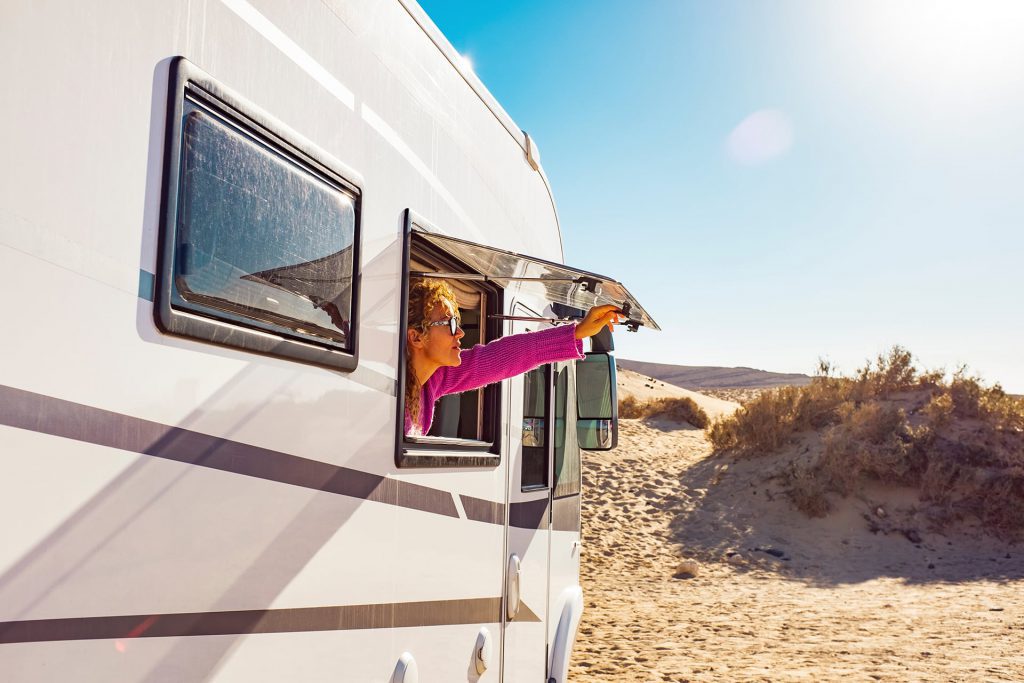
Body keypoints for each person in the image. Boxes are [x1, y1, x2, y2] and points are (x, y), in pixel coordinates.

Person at [405, 278, 623, 436]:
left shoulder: (433, 380)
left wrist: (577, 332)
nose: (460, 333)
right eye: (450, 324)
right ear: (416, 337)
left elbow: (503, 357)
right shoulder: (390, 391)